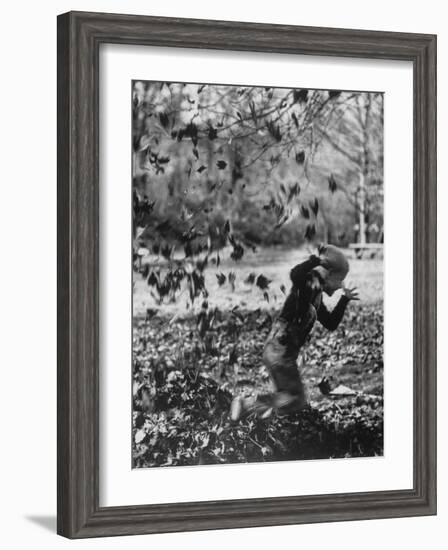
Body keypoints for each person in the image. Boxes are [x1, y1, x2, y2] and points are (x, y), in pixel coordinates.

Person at [230, 244, 359, 421]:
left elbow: (330, 323)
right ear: (326, 274)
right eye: (339, 279)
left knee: (288, 398)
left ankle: (261, 415)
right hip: (279, 351)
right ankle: (247, 405)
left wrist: (344, 299)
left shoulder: (316, 299)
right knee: (295, 399)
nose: (341, 285)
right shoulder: (306, 287)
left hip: (281, 353)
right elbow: (295, 274)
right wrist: (317, 261)